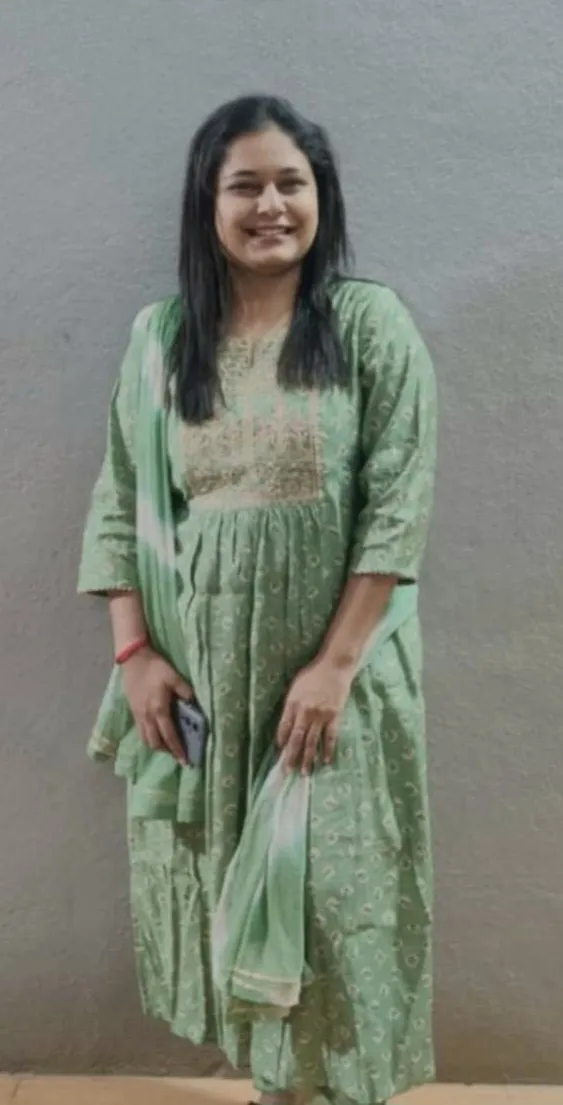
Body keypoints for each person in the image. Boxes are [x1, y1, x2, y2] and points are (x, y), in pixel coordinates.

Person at [78, 94, 437, 1105]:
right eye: (245, 186)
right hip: (205, 678)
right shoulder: (163, 339)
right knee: (233, 897)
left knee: (336, 896)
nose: (271, 204)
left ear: (323, 197)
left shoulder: (366, 324)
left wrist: (333, 667)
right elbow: (121, 498)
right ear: (208, 203)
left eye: (291, 183)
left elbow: (398, 503)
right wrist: (134, 653)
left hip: (338, 675)